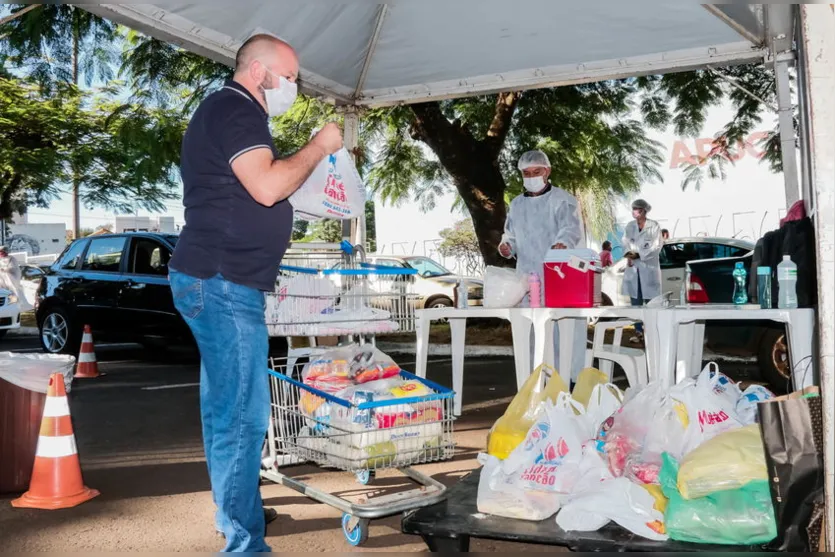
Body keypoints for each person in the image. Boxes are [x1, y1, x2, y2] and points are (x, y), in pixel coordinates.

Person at [168, 34, 343, 552]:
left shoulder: (226, 111)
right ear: (260, 71)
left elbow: (253, 191)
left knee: (225, 410)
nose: (295, 84)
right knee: (242, 416)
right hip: (222, 282)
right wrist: (319, 145)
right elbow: (267, 187)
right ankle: (245, 543)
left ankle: (235, 513)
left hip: (214, 278)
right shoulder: (236, 110)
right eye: (290, 76)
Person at [498, 149, 587, 381]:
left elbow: (571, 228)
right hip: (528, 280)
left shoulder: (562, 200)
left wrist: (561, 243)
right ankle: (533, 386)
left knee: (562, 334)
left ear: (547, 171)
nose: (531, 176)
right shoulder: (517, 205)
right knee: (531, 335)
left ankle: (566, 384)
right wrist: (507, 246)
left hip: (559, 276)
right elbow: (510, 235)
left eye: (536, 171)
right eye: (526, 173)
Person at [621, 199, 663, 343]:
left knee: (651, 302)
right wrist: (629, 254)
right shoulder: (630, 226)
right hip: (634, 269)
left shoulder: (654, 226)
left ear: (644, 210)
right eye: (633, 208)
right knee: (636, 303)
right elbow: (625, 242)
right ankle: (638, 332)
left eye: (638, 209)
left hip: (648, 267)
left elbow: (657, 246)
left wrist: (641, 255)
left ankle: (652, 332)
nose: (635, 211)